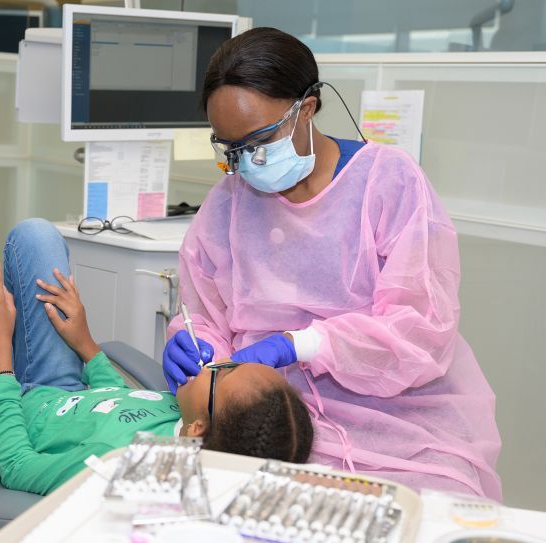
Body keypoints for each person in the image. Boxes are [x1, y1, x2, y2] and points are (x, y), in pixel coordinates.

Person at [163, 27, 502, 500]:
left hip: (401, 425)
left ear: (306, 108)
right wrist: (192, 338)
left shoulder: (388, 182)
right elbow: (206, 311)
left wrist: (302, 344)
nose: (244, 164)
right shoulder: (229, 202)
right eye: (230, 149)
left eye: (257, 140)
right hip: (275, 424)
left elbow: (421, 328)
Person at [0, 219, 313, 495]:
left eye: (223, 373)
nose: (220, 360)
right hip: (60, 391)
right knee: (37, 236)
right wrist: (86, 343)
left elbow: (18, 467)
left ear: (199, 430)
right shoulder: (180, 416)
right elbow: (116, 405)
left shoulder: (118, 464)